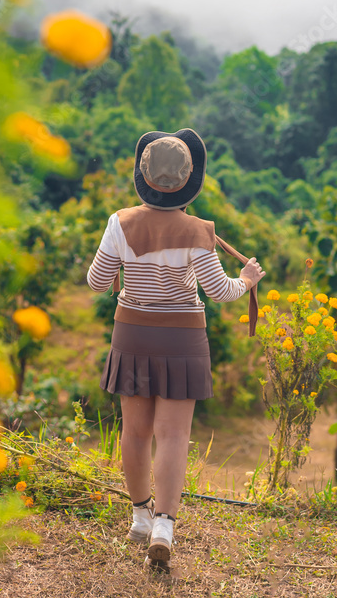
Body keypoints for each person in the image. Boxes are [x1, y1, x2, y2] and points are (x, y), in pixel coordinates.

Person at [86, 127, 265, 570]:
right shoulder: (198, 229)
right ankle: (165, 525)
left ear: (143, 176)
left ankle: (140, 517)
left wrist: (118, 274)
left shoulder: (119, 222)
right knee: (171, 435)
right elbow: (219, 291)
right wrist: (249, 280)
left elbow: (95, 280)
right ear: (188, 181)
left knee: (135, 430)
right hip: (182, 337)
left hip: (131, 331)